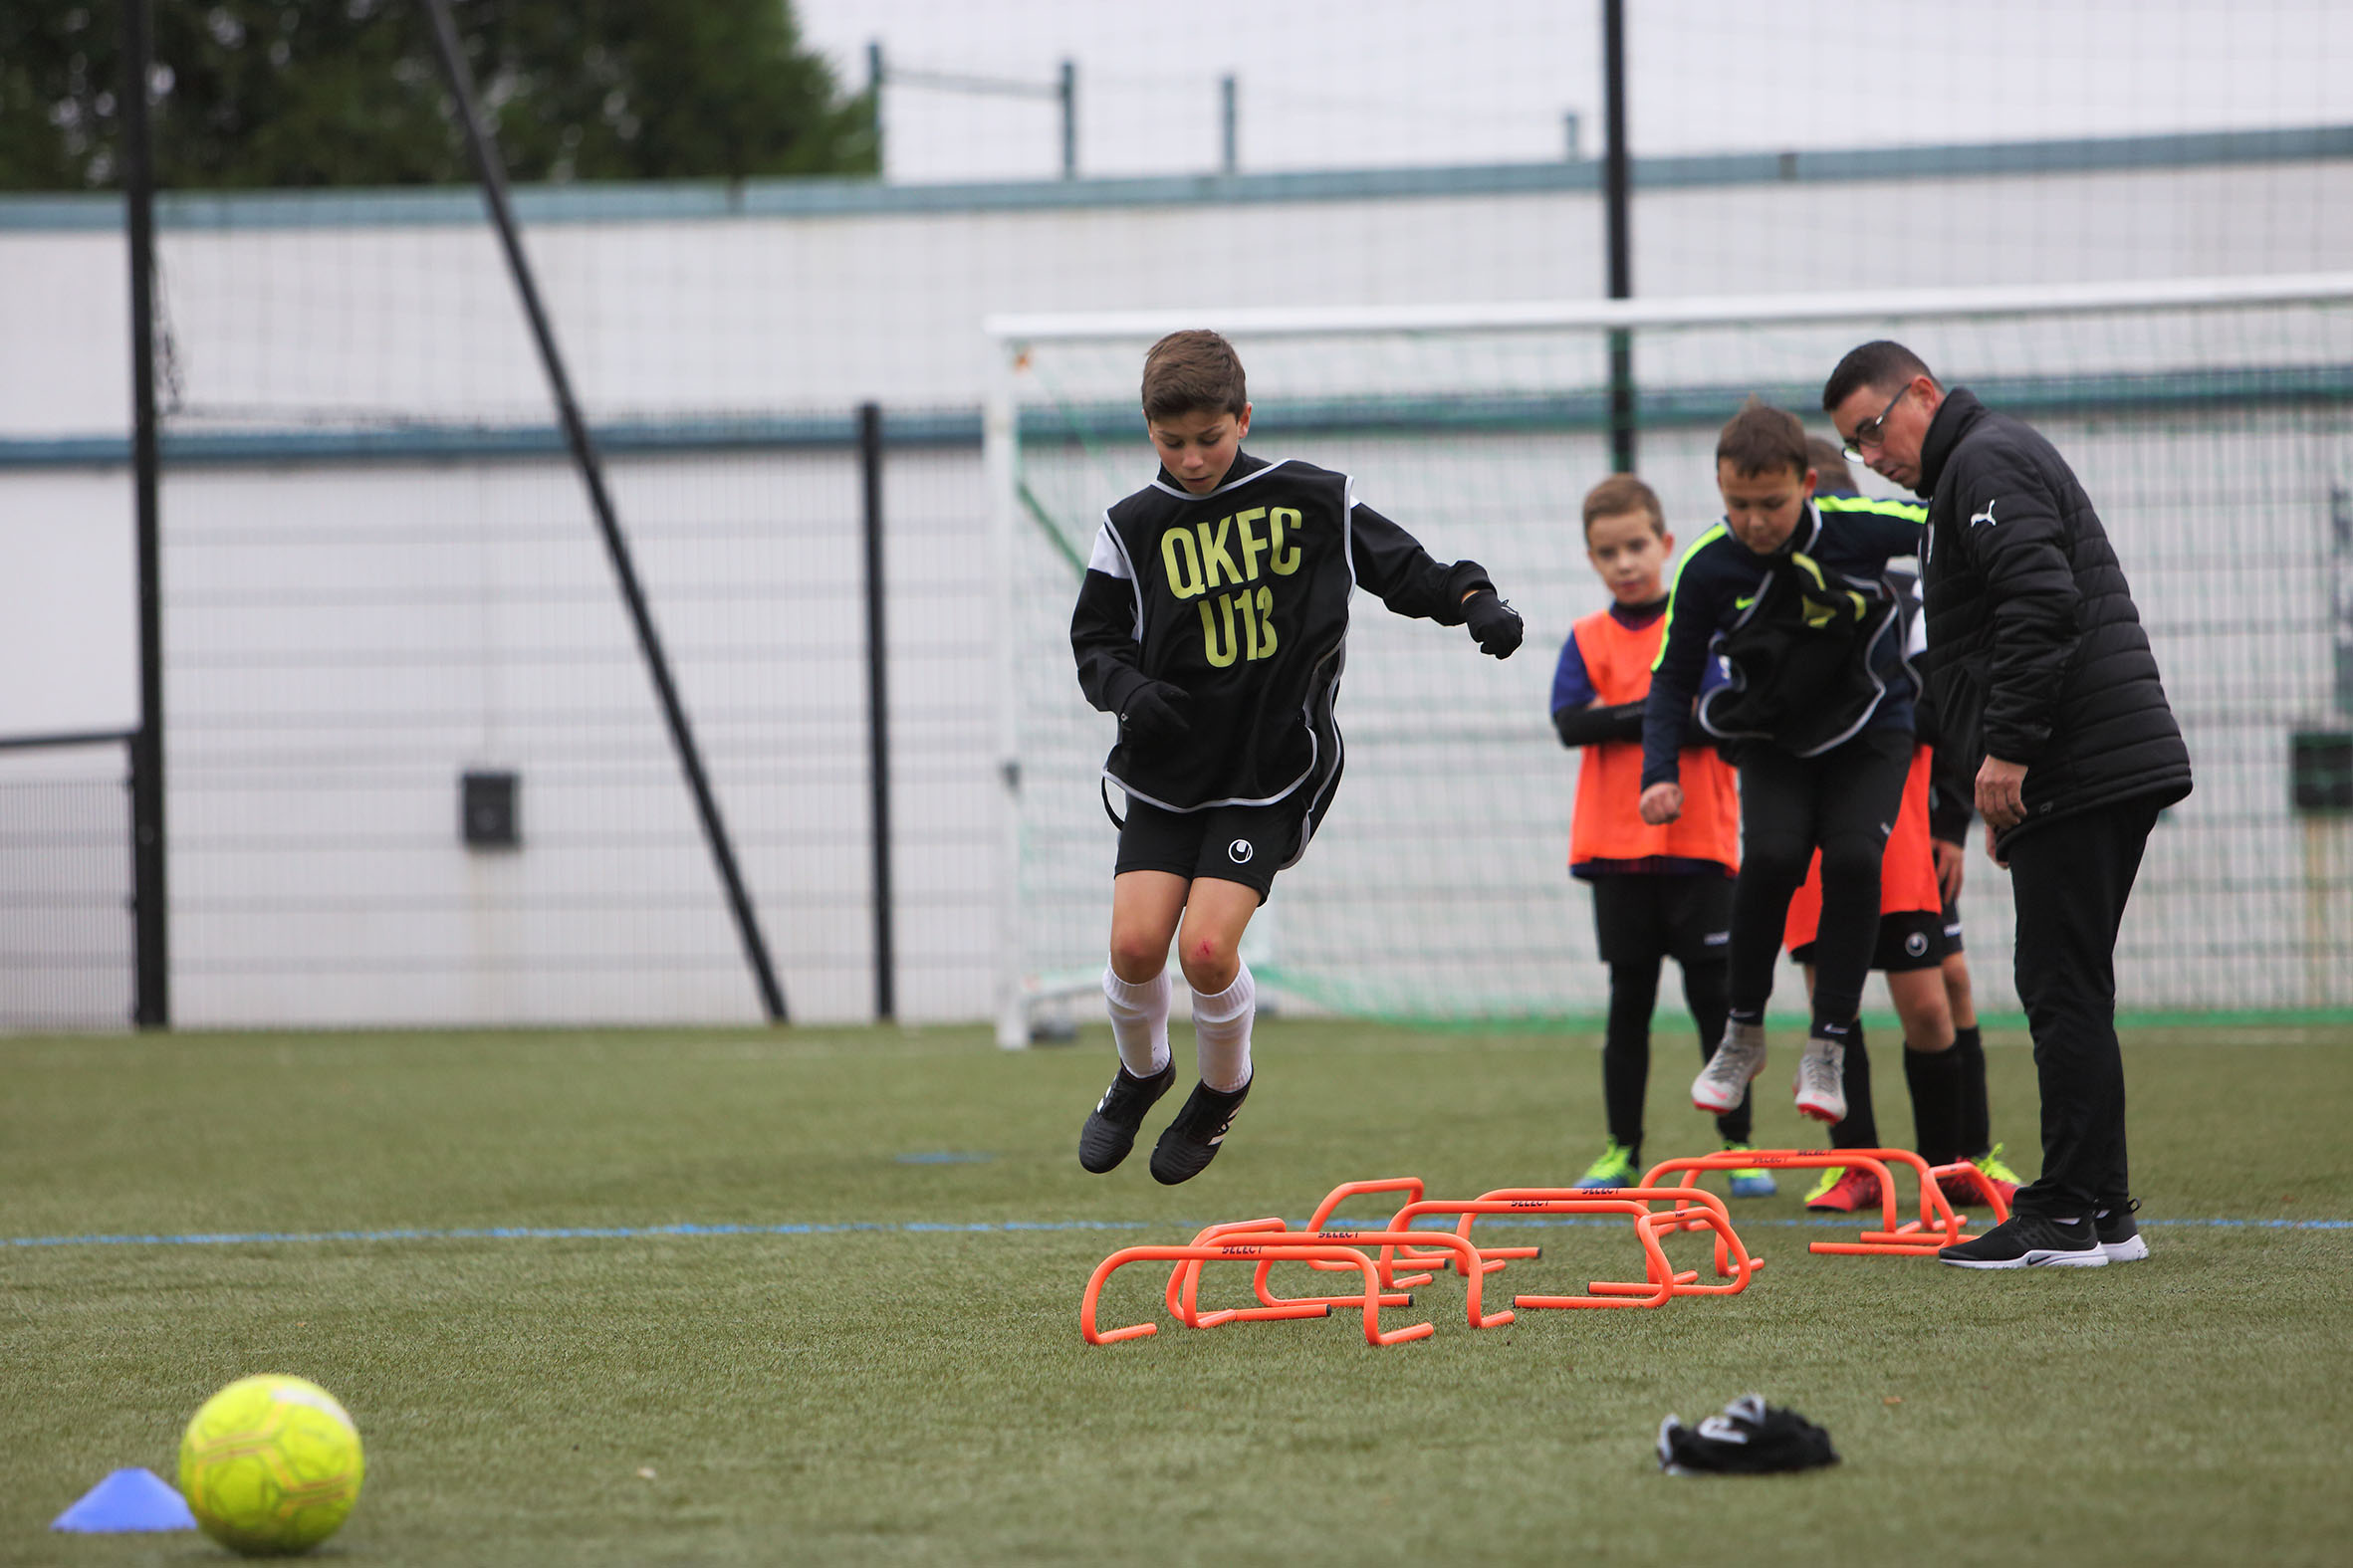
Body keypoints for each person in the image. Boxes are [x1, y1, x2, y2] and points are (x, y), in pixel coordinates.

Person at [1069, 329, 1525, 1184]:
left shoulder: (1312, 497)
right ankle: (1141, 1073)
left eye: (1211, 436)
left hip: (1271, 766)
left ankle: (1220, 1090)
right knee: (1134, 946)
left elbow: (1405, 568)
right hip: (1169, 768)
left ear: (1243, 417)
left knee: (1205, 950)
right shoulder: (1129, 525)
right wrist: (1130, 693)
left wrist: (1474, 600)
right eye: (1173, 443)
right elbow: (1094, 642)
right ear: (1148, 431)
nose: (1194, 457)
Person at [1824, 340, 2192, 1268]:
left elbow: (2040, 603)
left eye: (1871, 432)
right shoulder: (1969, 475)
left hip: (2077, 760)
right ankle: (2103, 1211)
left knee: (2057, 987)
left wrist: (2008, 755)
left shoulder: (1983, 461)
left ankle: (2065, 1211)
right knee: (2072, 984)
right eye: (1854, 448)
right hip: (2083, 763)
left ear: (1920, 393)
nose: (1871, 459)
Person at [1641, 399, 1927, 1138]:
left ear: (1805, 484)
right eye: (1737, 504)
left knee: (1855, 859)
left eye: (1770, 503)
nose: (1755, 520)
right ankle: (1741, 1034)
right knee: (1769, 856)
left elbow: (1941, 527)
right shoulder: (1708, 565)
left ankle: (1826, 1044)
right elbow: (1672, 676)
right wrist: (1658, 771)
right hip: (1775, 737)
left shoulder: (1853, 528)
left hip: (1872, 728)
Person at [1779, 441, 2020, 1214]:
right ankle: (1855, 1165)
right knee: (1833, 1000)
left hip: (1906, 829)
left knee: (1936, 996)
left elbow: (1944, 714)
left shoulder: (1910, 597)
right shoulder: (1768, 597)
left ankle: (1955, 1159)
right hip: (1813, 834)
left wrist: (1949, 823)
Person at [1549, 474, 1772, 1198]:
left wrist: (1640, 713)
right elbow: (1569, 722)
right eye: (1608, 551)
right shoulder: (1585, 638)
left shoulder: (1701, 627)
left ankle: (1737, 1148)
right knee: (1628, 1004)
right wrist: (1654, 710)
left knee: (1717, 1000)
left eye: (1637, 545)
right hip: (1614, 853)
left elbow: (1715, 714)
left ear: (1665, 544)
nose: (1625, 561)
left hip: (1700, 845)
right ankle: (1620, 1149)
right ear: (1591, 558)